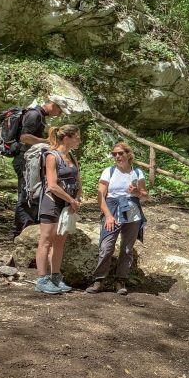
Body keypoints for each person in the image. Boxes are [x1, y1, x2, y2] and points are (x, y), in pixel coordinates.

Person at [86, 142, 148, 295]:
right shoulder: (109, 171)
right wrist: (108, 215)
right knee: (106, 246)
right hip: (112, 207)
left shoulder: (138, 172)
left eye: (120, 153)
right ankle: (99, 280)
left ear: (128, 154)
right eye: (114, 154)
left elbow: (146, 196)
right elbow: (100, 195)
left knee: (127, 248)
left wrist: (137, 192)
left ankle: (121, 280)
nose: (117, 156)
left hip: (132, 208)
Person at [34, 124, 82, 295]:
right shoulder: (51, 157)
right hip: (52, 202)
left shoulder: (71, 157)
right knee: (46, 240)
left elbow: (77, 179)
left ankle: (56, 276)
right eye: (77, 137)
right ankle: (41, 279)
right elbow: (52, 185)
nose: (79, 140)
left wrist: (77, 198)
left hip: (68, 204)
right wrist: (71, 200)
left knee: (60, 241)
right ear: (67, 138)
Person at [12, 101, 63, 237]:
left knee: (32, 192)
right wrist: (47, 142)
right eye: (60, 110)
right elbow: (25, 137)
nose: (60, 114)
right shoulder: (34, 114)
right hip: (24, 161)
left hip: (30, 160)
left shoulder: (39, 115)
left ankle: (28, 229)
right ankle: (22, 232)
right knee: (26, 194)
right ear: (53, 105)